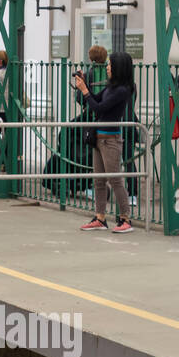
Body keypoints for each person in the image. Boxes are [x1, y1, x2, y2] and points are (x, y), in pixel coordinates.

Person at [72, 51, 135, 233]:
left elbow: (98, 107)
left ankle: (125, 218)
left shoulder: (123, 90)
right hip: (98, 138)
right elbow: (96, 98)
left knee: (115, 179)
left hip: (111, 139)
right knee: (98, 180)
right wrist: (84, 85)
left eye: (110, 65)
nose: (107, 67)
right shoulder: (111, 87)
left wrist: (85, 92)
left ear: (119, 68)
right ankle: (100, 217)